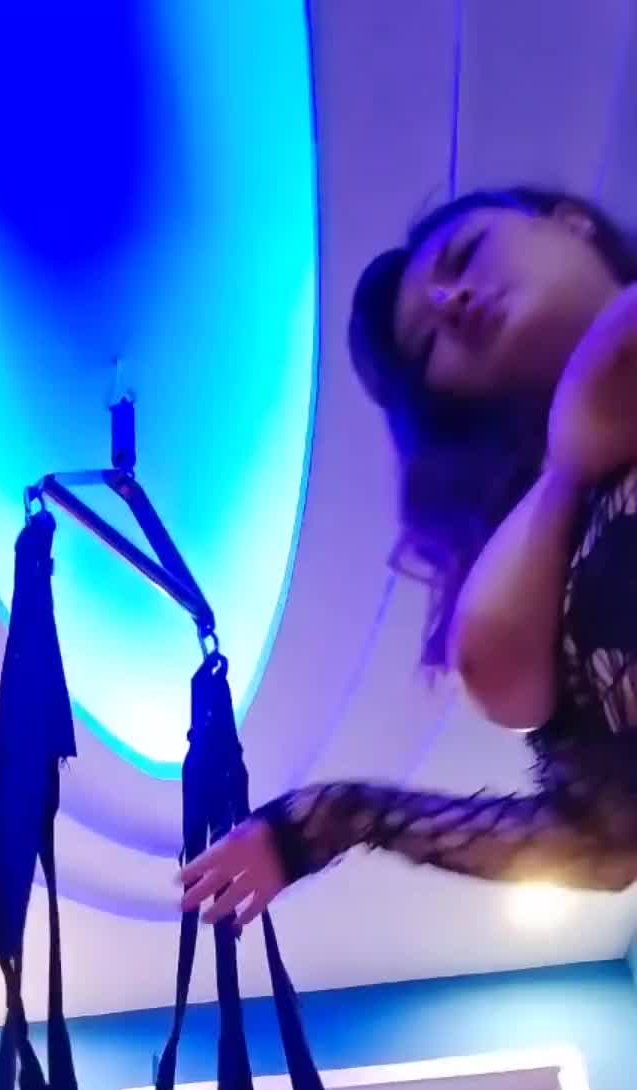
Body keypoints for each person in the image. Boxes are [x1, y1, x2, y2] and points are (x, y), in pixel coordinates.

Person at [181, 187, 637, 928]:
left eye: (466, 254)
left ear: (570, 221)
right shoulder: (552, 548)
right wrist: (328, 820)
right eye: (428, 349)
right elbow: (607, 841)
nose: (453, 303)